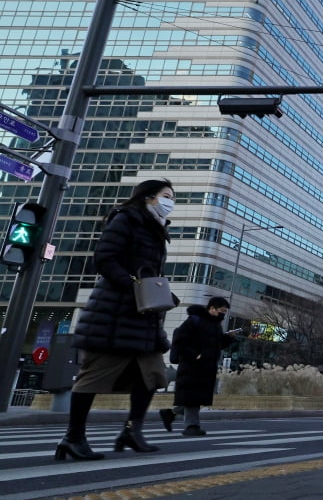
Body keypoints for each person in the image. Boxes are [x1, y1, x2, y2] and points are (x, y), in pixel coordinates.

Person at [56, 179, 178, 461]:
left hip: (143, 316)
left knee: (153, 375)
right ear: (148, 198)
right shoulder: (126, 219)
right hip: (114, 313)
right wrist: (135, 286)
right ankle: (73, 438)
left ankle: (132, 431)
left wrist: (155, 293)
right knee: (94, 376)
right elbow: (105, 258)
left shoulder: (156, 229)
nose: (171, 202)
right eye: (167, 196)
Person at [159, 296, 237, 436]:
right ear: (212, 308)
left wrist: (228, 338)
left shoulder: (215, 325)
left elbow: (216, 345)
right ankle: (191, 426)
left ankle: (170, 413)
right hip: (192, 366)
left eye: (225, 311)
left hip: (207, 367)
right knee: (192, 396)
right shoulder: (195, 320)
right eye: (222, 311)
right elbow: (179, 339)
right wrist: (193, 354)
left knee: (197, 397)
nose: (223, 314)